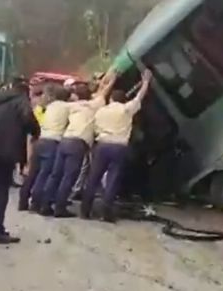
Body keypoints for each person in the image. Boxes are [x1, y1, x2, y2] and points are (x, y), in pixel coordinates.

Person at [81, 70, 153, 222]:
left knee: (94, 177)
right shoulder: (126, 110)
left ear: (112, 99)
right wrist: (146, 81)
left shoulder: (101, 110)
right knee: (113, 179)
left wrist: (108, 81)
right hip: (119, 148)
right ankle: (107, 213)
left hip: (102, 146)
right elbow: (140, 96)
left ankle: (85, 210)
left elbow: (99, 97)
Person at [40, 73, 115, 218]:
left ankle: (46, 205)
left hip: (64, 141)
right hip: (78, 144)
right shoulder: (93, 106)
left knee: (56, 175)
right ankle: (60, 208)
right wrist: (112, 80)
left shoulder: (72, 106)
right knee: (69, 176)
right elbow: (103, 92)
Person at [0, 77, 39, 245]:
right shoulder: (20, 100)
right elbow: (28, 120)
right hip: (5, 151)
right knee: (1, 190)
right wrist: (34, 131)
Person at [22, 84, 70, 212]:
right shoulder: (66, 107)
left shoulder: (47, 107)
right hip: (53, 143)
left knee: (34, 173)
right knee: (45, 174)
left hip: (41, 140)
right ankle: (37, 204)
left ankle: (25, 202)